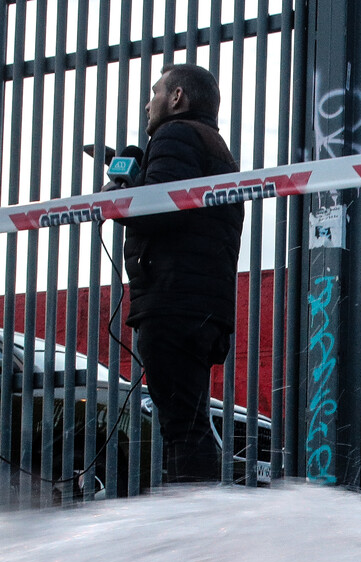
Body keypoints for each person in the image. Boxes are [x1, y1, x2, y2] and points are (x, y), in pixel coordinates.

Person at [116, 64, 244, 483]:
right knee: (189, 422)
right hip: (204, 305)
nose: (147, 103)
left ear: (177, 97)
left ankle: (197, 530)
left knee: (181, 430)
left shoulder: (174, 135)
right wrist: (143, 177)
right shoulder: (215, 147)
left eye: (155, 92)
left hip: (174, 302)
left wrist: (120, 195)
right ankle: (199, 522)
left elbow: (157, 214)